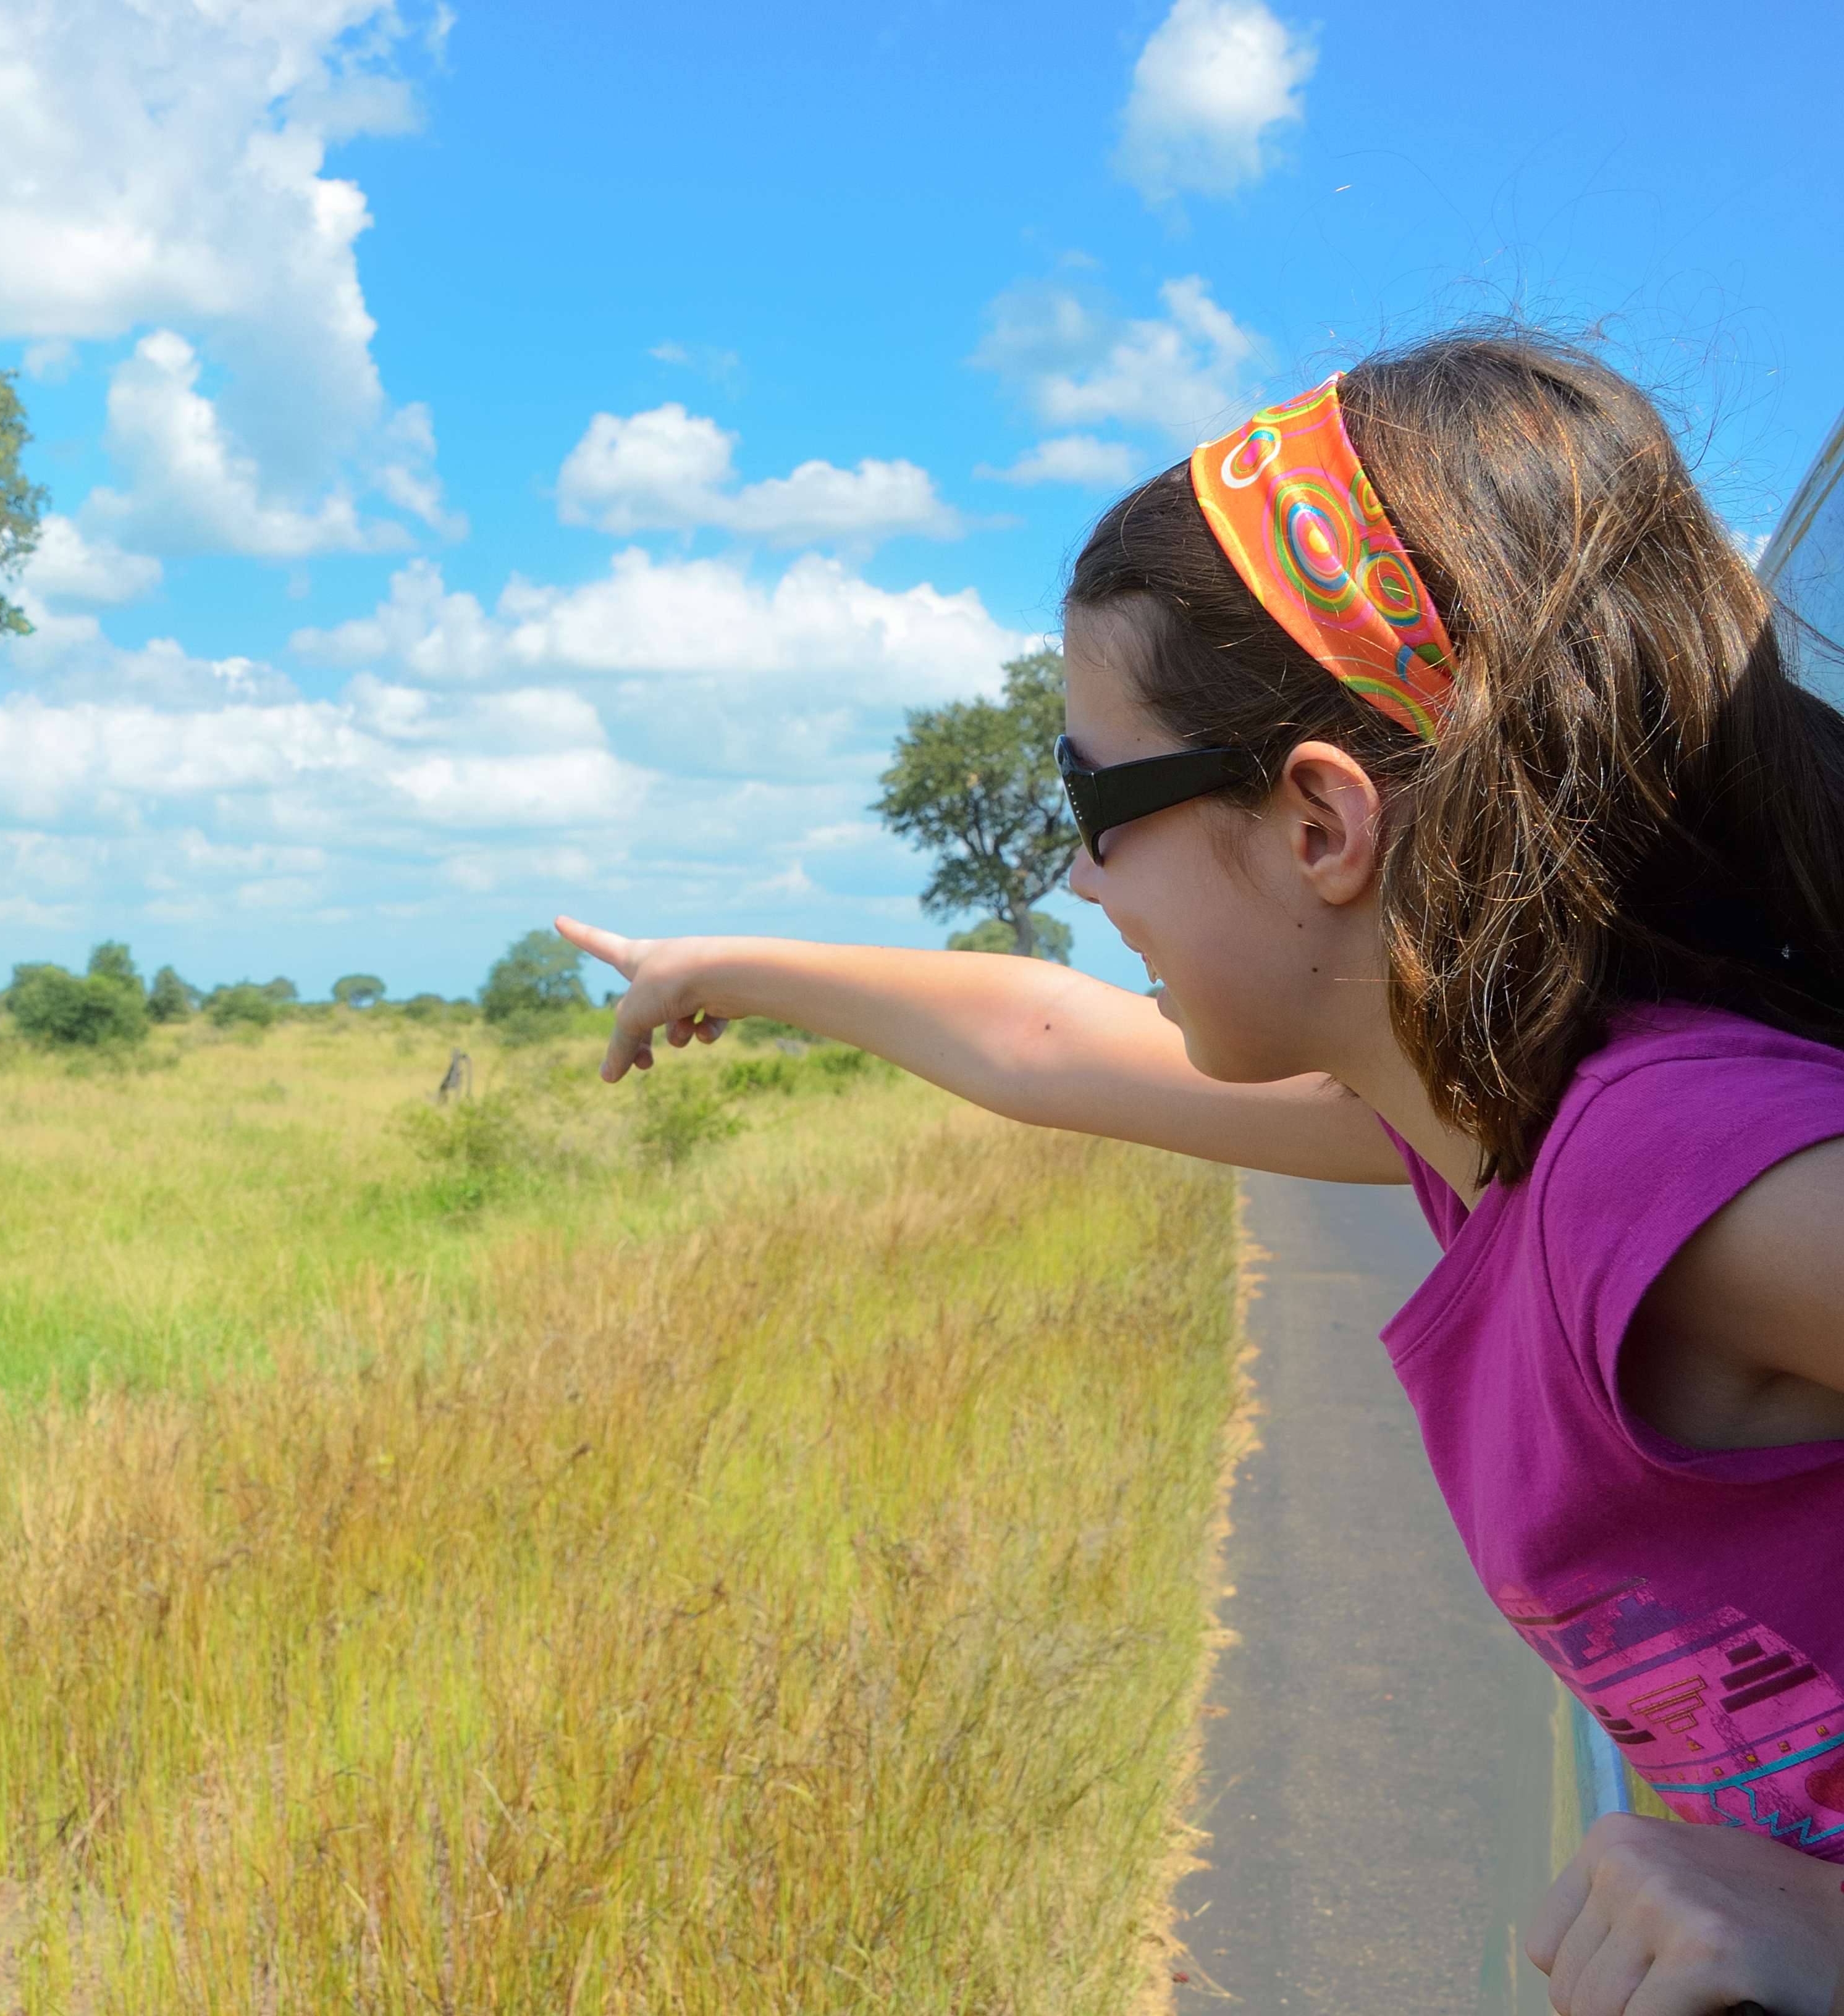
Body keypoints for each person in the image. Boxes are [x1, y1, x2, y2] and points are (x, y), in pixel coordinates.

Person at [560, 332, 1844, 2016]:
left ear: (1321, 825)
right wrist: (720, 965)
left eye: (1098, 800)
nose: (1082, 884)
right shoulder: (1489, 1128)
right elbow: (1045, 1042)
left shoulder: (1656, 1164)